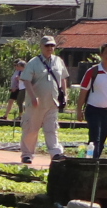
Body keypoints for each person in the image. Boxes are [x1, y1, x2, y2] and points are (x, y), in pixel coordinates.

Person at [14, 37, 68, 166]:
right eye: (47, 46)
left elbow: (63, 79)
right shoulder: (33, 62)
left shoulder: (58, 61)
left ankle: (55, 153)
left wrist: (65, 95)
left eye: (52, 46)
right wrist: (33, 97)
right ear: (41, 47)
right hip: (36, 103)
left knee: (52, 128)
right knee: (31, 129)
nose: (50, 48)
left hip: (52, 102)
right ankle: (27, 154)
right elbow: (26, 80)